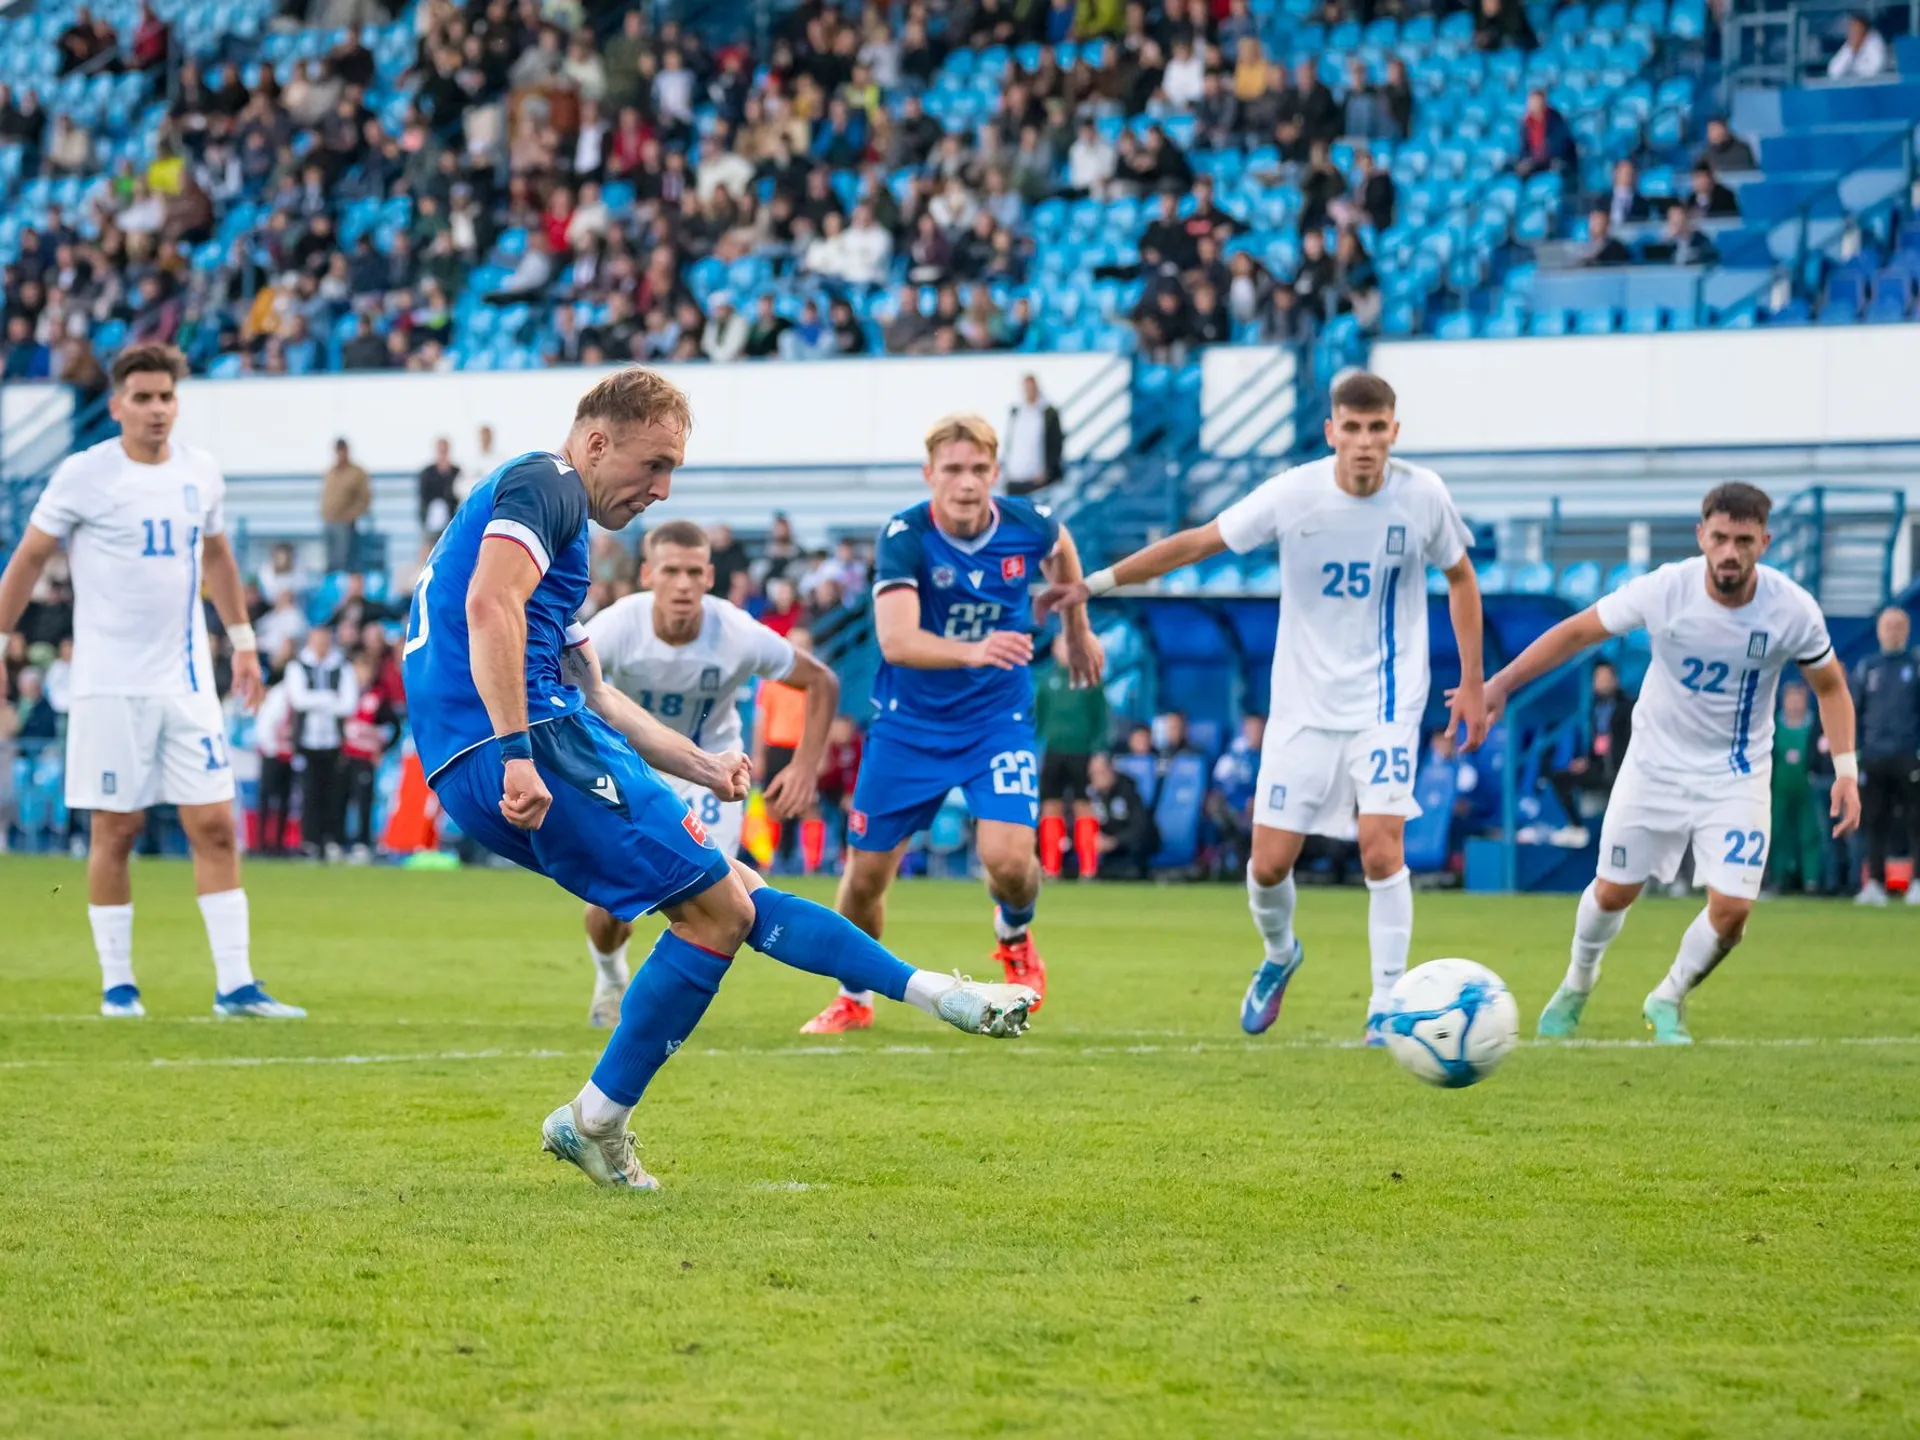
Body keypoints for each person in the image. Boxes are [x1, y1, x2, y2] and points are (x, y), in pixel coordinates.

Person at [401, 368, 1040, 1191]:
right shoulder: (547, 482)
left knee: (729, 895)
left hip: (529, 740)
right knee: (718, 912)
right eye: (654, 465)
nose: (662, 491)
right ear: (596, 442)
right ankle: (598, 1119)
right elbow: (491, 608)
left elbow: (599, 694)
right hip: (529, 746)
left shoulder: (549, 520)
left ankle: (926, 993)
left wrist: (702, 765)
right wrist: (517, 751)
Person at [1038, 371, 1488, 1044]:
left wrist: (1475, 680)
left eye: (1377, 429)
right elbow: (1196, 543)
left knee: (1380, 848)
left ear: (1395, 432)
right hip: (1303, 708)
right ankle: (1280, 955)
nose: (1365, 442)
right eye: (1352, 428)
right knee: (1269, 864)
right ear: (1331, 431)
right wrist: (1094, 585)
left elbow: (1460, 578)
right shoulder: (1293, 494)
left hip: (1386, 704)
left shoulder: (1423, 497)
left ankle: (1387, 1002)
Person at [1486, 484, 1861, 1045]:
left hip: (1736, 774)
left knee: (1733, 912)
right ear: (1700, 536)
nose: (1729, 551)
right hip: (1653, 768)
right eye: (1719, 537)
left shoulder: (1791, 609)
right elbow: (1575, 632)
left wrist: (1847, 770)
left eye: (1742, 540)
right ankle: (1577, 982)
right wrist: (1500, 685)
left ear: (1765, 540)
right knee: (1614, 892)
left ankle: (1668, 996)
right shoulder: (1666, 589)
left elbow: (1830, 686)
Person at [0, 343, 302, 1018]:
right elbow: (28, 557)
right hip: (109, 686)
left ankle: (236, 986)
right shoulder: (84, 474)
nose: (156, 409)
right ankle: (118, 986)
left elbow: (219, 555)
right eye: (142, 398)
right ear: (116, 407)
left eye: (166, 396)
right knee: (117, 829)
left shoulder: (201, 472)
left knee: (217, 826)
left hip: (187, 681)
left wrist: (244, 642)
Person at [798, 412, 1104, 1035]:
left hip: (997, 721)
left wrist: (1078, 629)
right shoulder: (905, 535)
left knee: (1010, 859)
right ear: (929, 475)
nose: (966, 484)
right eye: (953, 471)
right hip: (909, 728)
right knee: (865, 879)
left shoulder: (1028, 523)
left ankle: (1013, 935)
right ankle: (855, 996)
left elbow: (1062, 549)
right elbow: (896, 640)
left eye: (978, 470)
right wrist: (977, 650)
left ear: (995, 472)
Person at [578, 521, 841, 1028]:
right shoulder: (615, 627)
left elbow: (822, 680)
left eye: (693, 572)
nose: (682, 584)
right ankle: (611, 976)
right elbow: (563, 680)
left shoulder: (735, 632)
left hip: (712, 775)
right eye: (671, 571)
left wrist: (806, 766)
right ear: (648, 574)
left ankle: (654, 1014)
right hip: (632, 769)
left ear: (710, 577)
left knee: (713, 898)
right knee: (612, 910)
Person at [1851, 606, 1919, 906]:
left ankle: (1917, 883)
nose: (1892, 632)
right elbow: (1856, 711)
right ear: (1879, 631)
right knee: (1874, 821)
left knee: (1916, 821)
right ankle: (1875, 883)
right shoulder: (1868, 668)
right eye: (1887, 626)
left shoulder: (1915, 667)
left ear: (1906, 630)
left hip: (1908, 755)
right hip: (1874, 757)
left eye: (1898, 626)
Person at [1035, 631, 1110, 878]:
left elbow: (1101, 720)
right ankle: (1051, 866)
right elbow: (1037, 719)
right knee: (1050, 806)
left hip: (1082, 753)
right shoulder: (1046, 681)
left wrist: (1099, 753)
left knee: (1083, 806)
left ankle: (1088, 867)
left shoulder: (1090, 680)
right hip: (1054, 752)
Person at [285, 622, 359, 861]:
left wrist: (316, 699)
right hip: (307, 740)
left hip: (334, 741)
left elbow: (348, 704)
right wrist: (329, 698)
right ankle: (310, 842)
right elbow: (298, 700)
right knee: (309, 793)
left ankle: (332, 841)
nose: (322, 643)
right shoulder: (297, 666)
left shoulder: (342, 667)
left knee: (335, 794)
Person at [1545, 659, 1633, 846]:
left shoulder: (1629, 707)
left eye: (1606, 677)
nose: (1603, 682)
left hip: (1622, 771)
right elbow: (1599, 744)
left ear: (1616, 680)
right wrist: (1586, 761)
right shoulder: (1595, 709)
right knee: (1559, 777)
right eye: (1598, 678)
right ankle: (1576, 827)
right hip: (1599, 767)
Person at [1768, 681, 1824, 896]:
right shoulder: (1774, 725)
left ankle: (1811, 879)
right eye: (1790, 698)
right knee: (1778, 832)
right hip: (1780, 787)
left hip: (1806, 786)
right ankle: (1778, 878)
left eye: (1798, 698)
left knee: (1810, 833)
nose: (1794, 703)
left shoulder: (1813, 725)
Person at [1206, 713, 1264, 877]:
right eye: (1251, 728)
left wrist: (1257, 802)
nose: (1255, 733)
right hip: (1236, 808)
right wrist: (1243, 802)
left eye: (1259, 729)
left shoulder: (1273, 756)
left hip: (1264, 807)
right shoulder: (1232, 757)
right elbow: (1221, 785)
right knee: (1216, 805)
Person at [1085, 751, 1157, 879]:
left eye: (1101, 772)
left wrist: (1115, 841)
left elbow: (1140, 826)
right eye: (1093, 774)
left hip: (1131, 847)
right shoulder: (1090, 795)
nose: (1097, 778)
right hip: (1106, 849)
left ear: (1111, 769)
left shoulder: (1128, 789)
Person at [1002, 373, 1064, 496]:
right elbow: (1011, 443)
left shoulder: (1047, 413)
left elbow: (1056, 444)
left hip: (1036, 478)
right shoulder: (1017, 411)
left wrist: (1047, 472)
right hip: (1015, 477)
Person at [321, 437, 371, 573]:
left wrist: (350, 515)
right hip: (328, 520)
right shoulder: (331, 472)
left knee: (343, 559)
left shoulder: (356, 473)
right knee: (330, 559)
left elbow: (364, 499)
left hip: (345, 523)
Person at [417, 436, 461, 544]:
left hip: (451, 515)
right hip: (431, 517)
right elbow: (423, 495)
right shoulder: (427, 473)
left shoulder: (456, 472)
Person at [1828, 12, 1889, 80]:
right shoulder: (1849, 45)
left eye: (1857, 29)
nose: (1853, 33)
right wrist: (1851, 51)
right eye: (1852, 29)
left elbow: (1875, 70)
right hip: (1853, 86)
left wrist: (1855, 72)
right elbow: (1833, 71)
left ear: (1864, 30)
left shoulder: (1874, 42)